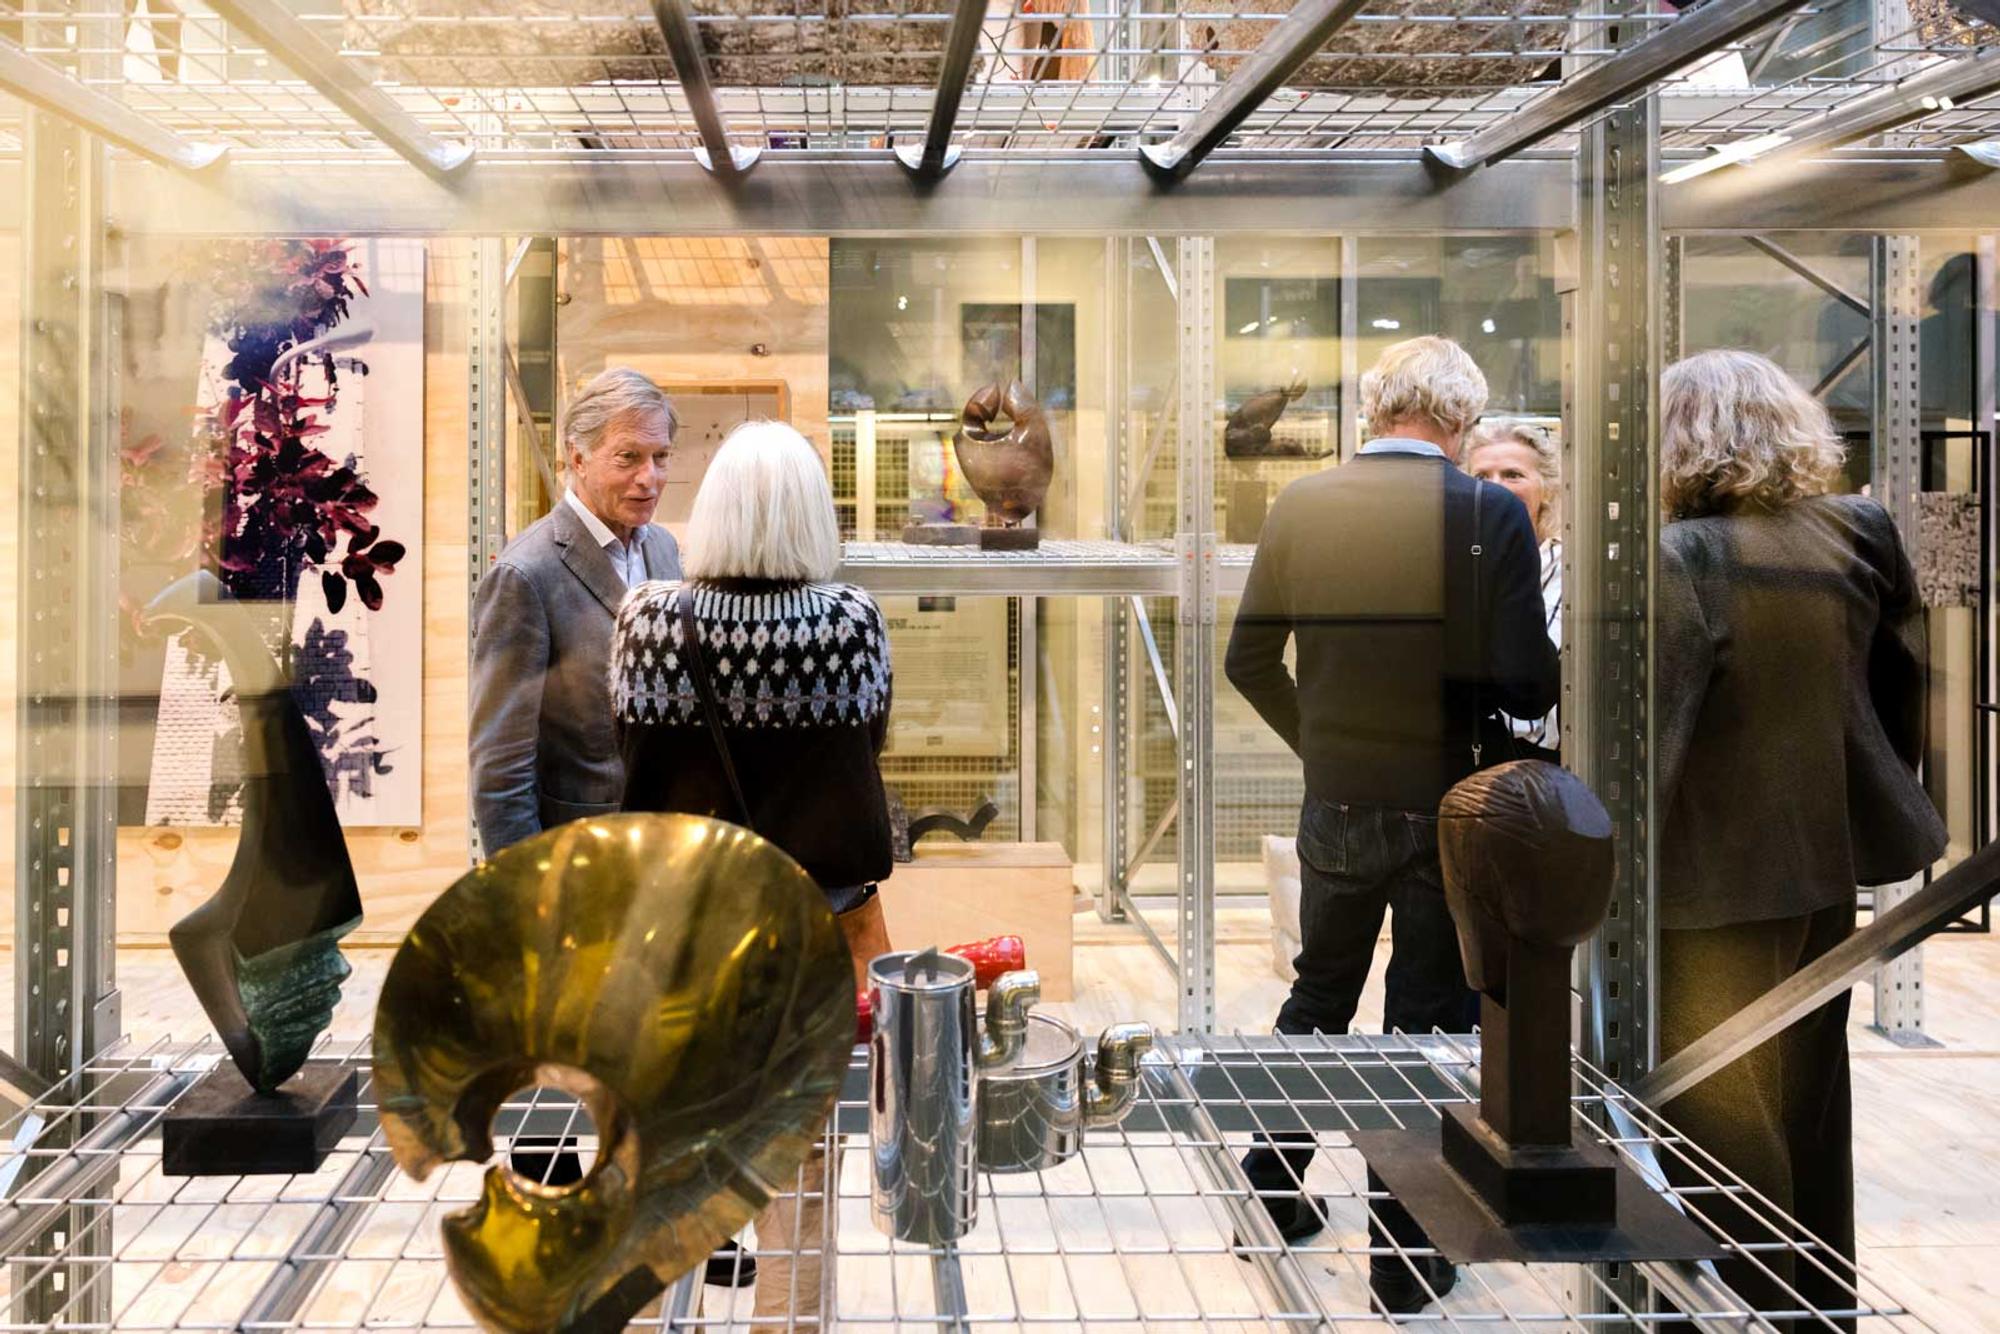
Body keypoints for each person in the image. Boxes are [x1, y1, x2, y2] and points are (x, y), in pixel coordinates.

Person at [1226, 336, 1558, 1315]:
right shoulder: (1486, 510)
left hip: (1334, 798)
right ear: (1457, 421)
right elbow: (1525, 679)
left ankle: (1269, 1182)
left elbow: (1248, 660)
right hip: (1448, 801)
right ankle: (1402, 1262)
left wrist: (1320, 745)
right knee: (1424, 1028)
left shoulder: (1302, 503)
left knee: (1318, 992)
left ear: (1375, 411)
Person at [1655, 350, 1945, 1330]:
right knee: (1806, 1108)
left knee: (1713, 1116)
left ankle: (1750, 1307)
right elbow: (1896, 689)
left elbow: (1653, 732)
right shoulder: (1853, 530)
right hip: (1820, 862)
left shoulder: (1682, 553)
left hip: (1701, 880)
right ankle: (1817, 1310)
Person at [611, 419, 893, 1319]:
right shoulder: (851, 623)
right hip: (809, 938)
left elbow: (632, 755)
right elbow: (865, 748)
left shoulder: (645, 619)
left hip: (677, 935)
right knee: (801, 1188)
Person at [469, 366, 683, 856]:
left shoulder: (664, 551)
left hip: (666, 846)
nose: (649, 478)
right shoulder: (526, 575)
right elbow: (501, 766)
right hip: (578, 858)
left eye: (661, 457)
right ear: (577, 457)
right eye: (628, 457)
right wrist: (524, 892)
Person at [1465, 420, 1562, 761]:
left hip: (1544, 768)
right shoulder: (1455, 566)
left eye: (1513, 475)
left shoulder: (1575, 572)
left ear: (1547, 487)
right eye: (1481, 478)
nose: (1495, 490)